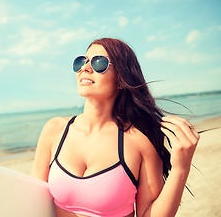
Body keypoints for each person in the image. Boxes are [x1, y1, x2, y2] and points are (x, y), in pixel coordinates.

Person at [31, 38, 200, 217]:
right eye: (82, 61)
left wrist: (181, 168)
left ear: (121, 79)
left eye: (99, 63)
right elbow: (32, 199)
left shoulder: (139, 142)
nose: (85, 68)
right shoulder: (54, 130)